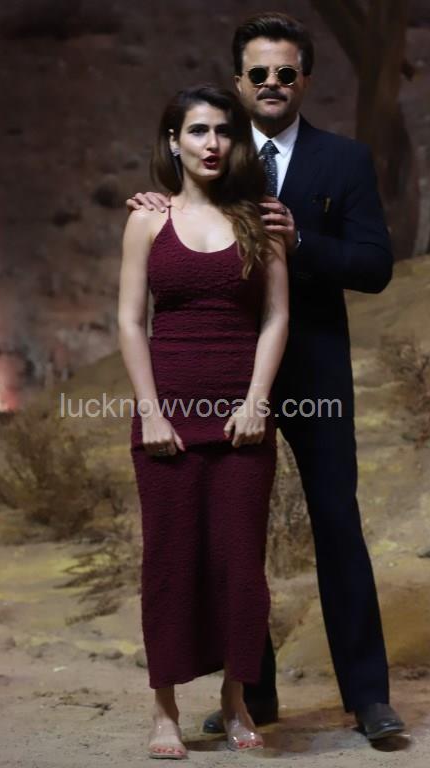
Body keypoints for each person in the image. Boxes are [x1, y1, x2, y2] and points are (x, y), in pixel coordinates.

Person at [127, 12, 406, 742]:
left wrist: (301, 239)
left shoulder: (343, 160)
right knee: (230, 536)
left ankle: (367, 698)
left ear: (304, 79)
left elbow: (376, 266)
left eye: (286, 72)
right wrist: (156, 199)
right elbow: (176, 233)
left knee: (336, 523)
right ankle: (253, 693)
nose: (273, 83)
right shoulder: (214, 151)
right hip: (216, 372)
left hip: (310, 369)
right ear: (238, 80)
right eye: (259, 73)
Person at [118, 83, 289, 758]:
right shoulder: (146, 221)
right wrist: (151, 413)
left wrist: (256, 401)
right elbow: (130, 321)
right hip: (167, 421)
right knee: (168, 564)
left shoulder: (259, 221)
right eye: (197, 130)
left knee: (240, 567)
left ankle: (234, 702)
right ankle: (163, 711)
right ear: (173, 141)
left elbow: (276, 316)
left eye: (222, 130)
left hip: (243, 422)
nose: (211, 143)